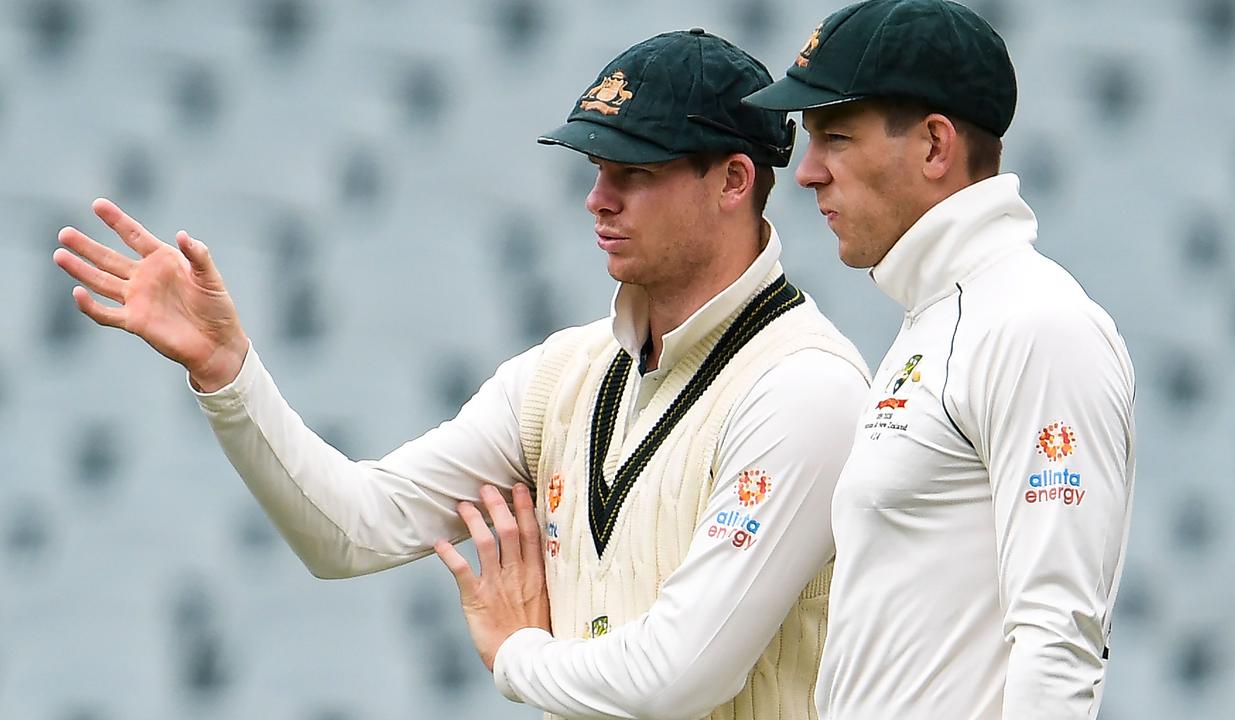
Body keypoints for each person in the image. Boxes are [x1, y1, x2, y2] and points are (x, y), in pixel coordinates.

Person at [52, 28, 872, 720]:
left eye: (636, 172)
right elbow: (350, 530)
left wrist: (516, 653)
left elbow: (681, 678)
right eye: (596, 168)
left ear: (733, 180)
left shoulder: (805, 390)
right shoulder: (565, 376)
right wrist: (228, 373)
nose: (597, 199)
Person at [743, 1, 1136, 718]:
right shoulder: (941, 320)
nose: (806, 173)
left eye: (834, 137)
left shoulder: (1038, 326)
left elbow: (1059, 640)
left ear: (933, 147)